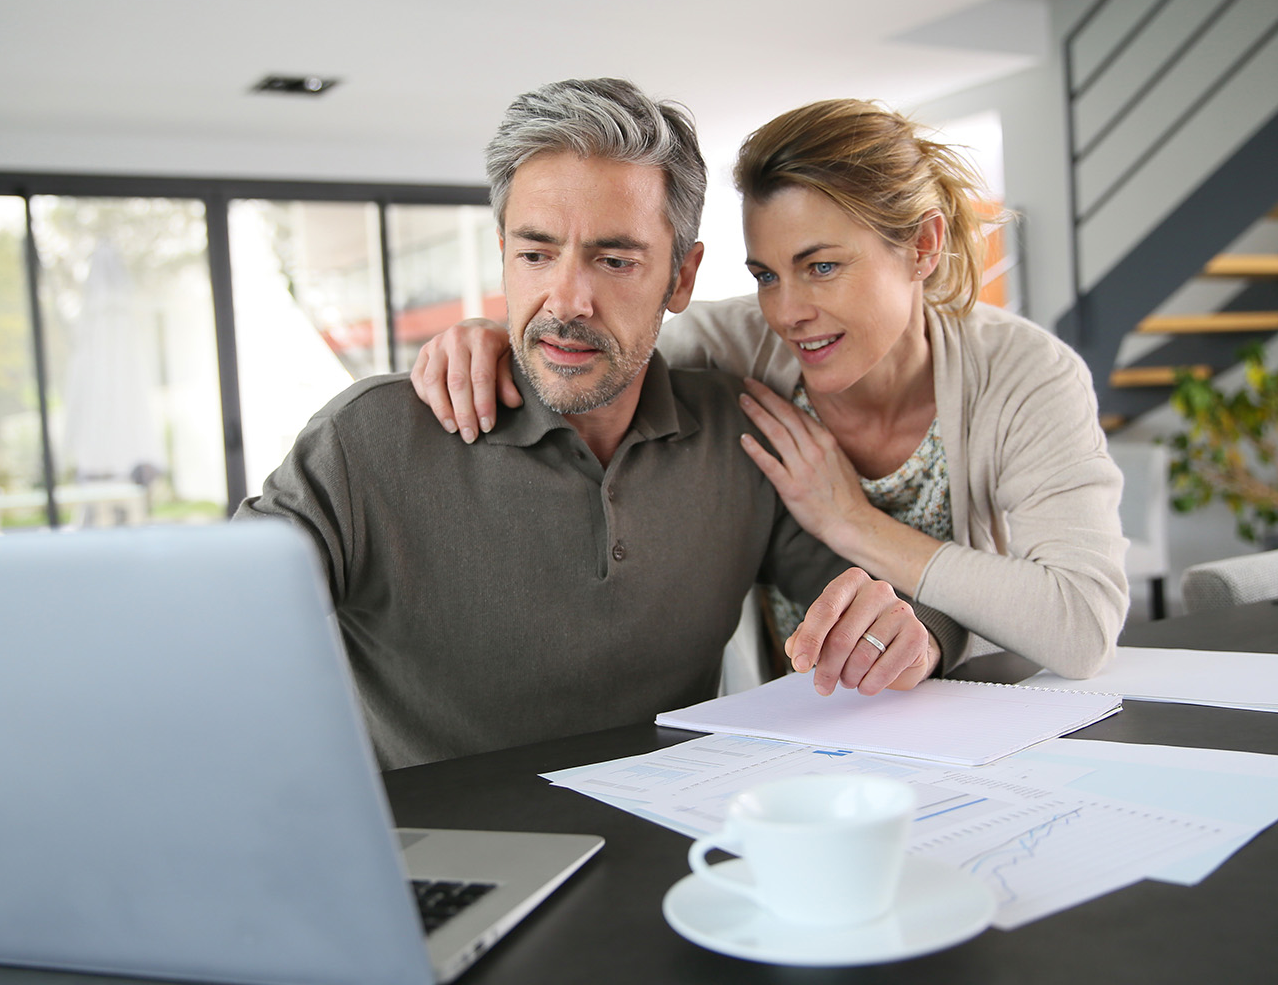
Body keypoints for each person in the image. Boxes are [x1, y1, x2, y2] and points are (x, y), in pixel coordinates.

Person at [237, 79, 960, 769]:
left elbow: (895, 606)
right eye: (535, 253)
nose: (567, 299)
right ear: (504, 257)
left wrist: (908, 633)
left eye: (614, 259)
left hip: (670, 852)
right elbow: (203, 628)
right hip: (435, 870)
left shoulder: (738, 436)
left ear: (682, 278)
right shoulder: (370, 441)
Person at [411, 98, 1127, 679]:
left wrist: (853, 524)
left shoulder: (1025, 375)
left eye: (821, 267)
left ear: (924, 246)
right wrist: (491, 334)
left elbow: (1081, 625)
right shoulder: (736, 349)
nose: (787, 313)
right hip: (803, 723)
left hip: (982, 716)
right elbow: (598, 339)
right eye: (766, 275)